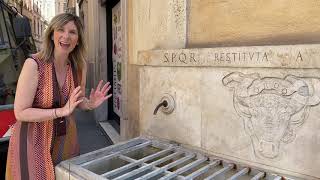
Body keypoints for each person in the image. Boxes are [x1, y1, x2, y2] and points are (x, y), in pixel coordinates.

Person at [6, 13, 112, 180]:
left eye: (72, 32)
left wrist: (89, 104)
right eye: (60, 30)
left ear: (78, 39)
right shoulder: (34, 64)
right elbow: (20, 112)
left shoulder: (79, 66)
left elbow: (77, 102)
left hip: (66, 141)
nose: (66, 36)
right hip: (33, 141)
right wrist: (61, 111)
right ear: (52, 34)